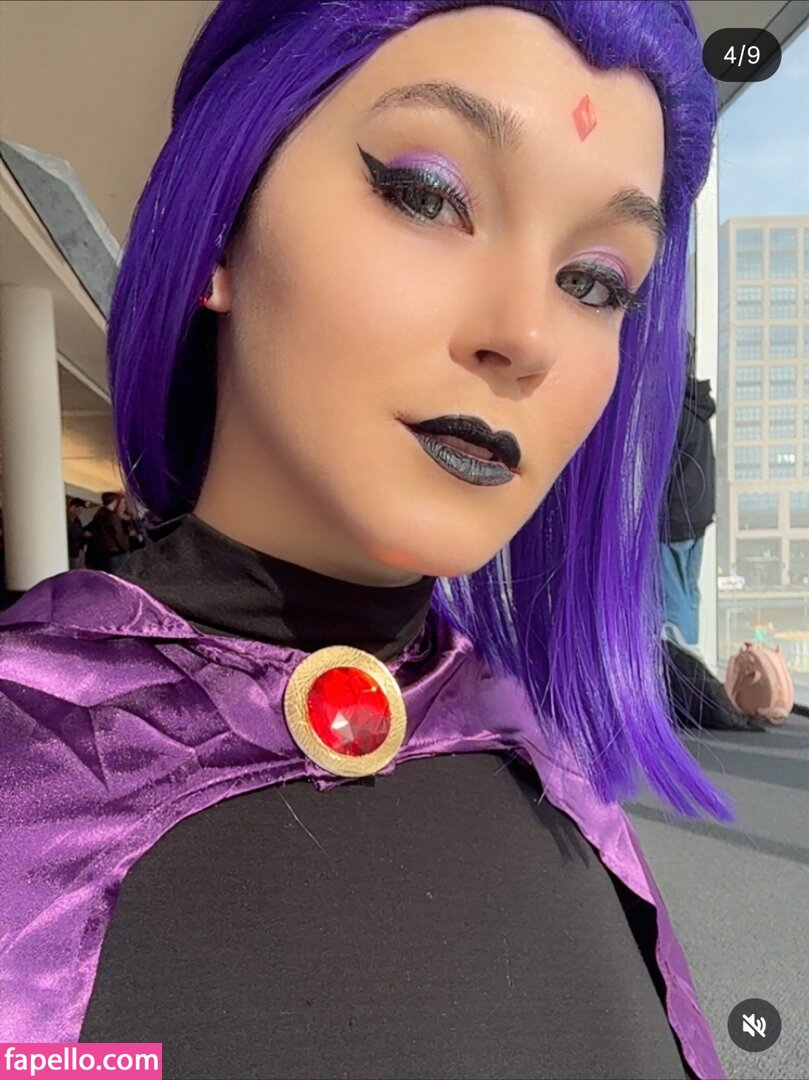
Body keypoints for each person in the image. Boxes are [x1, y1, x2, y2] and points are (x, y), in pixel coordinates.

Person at [0, 4, 735, 1078]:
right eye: (427, 195)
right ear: (219, 228)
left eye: (593, 282)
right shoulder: (29, 751)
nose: (525, 336)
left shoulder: (556, 781)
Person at [660, 333, 717, 649]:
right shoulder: (695, 405)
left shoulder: (671, 410)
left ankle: (682, 661)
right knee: (688, 592)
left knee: (673, 599)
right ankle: (692, 653)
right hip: (698, 513)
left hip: (676, 516)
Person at [83, 491, 130, 572]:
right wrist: (126, 547)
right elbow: (119, 537)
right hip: (114, 554)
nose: (124, 506)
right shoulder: (112, 517)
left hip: (102, 555)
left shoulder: (99, 514)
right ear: (116, 502)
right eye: (123, 503)